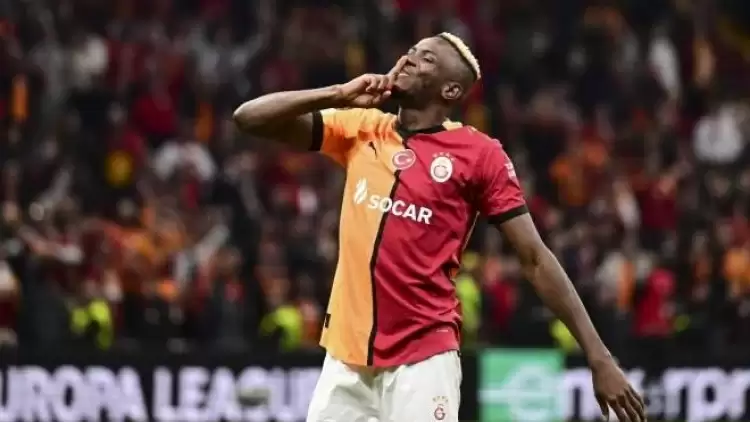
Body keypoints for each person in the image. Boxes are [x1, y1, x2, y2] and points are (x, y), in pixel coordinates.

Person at [234, 33, 646, 422]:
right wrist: (338, 94)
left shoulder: (479, 155)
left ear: (450, 90)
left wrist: (598, 357)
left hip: (422, 359)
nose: (409, 58)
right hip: (345, 358)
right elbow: (249, 118)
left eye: (427, 58)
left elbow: (535, 257)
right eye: (412, 50)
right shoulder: (361, 127)